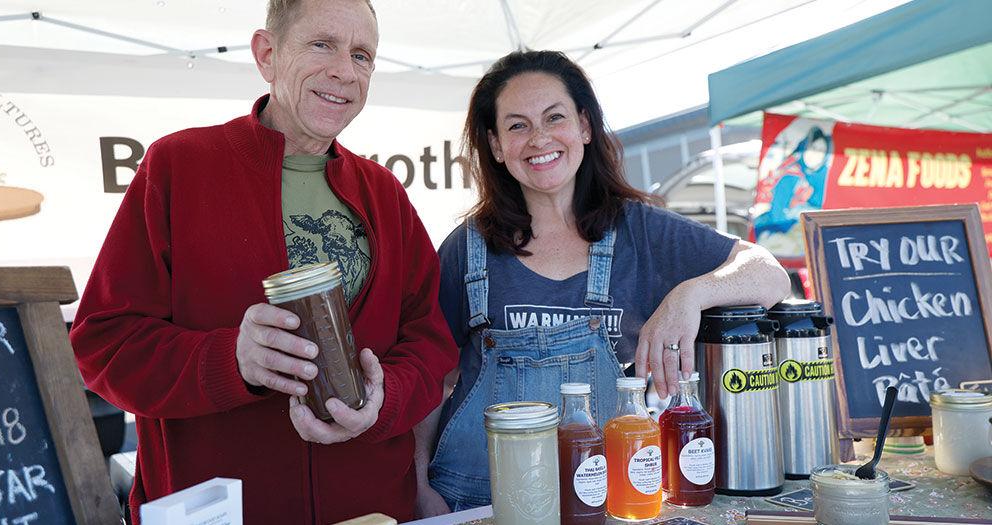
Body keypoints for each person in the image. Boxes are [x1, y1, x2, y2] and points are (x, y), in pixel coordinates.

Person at [69, 0, 457, 523]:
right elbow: (103, 343)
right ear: (267, 53)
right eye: (322, 44)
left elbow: (430, 343)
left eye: (362, 55)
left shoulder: (383, 191)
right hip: (218, 511)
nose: (344, 69)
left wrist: (385, 399)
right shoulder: (178, 167)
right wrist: (232, 360)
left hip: (371, 510)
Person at [413, 50, 791, 514]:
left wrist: (690, 294)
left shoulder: (642, 233)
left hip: (608, 502)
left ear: (585, 127)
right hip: (478, 502)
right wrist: (417, 484)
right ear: (494, 145)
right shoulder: (466, 249)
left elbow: (770, 273)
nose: (539, 138)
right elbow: (427, 377)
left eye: (555, 118)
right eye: (517, 126)